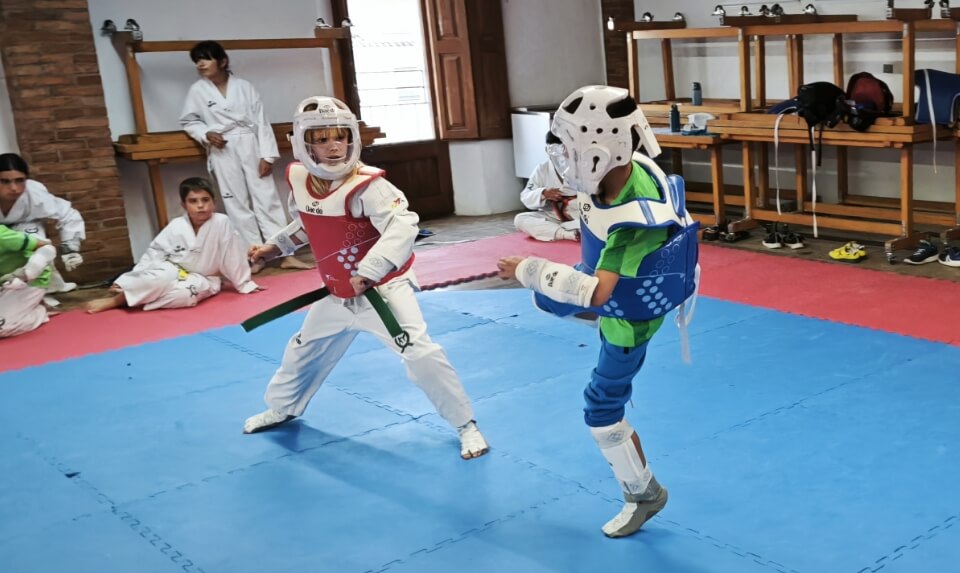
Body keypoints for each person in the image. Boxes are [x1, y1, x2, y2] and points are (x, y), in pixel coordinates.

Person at [497, 86, 699, 537]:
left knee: (601, 407)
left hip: (630, 318)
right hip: (618, 293)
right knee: (557, 296)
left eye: (570, 148)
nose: (565, 157)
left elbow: (601, 295)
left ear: (597, 150)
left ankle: (645, 495)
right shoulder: (624, 171)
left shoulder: (633, 213)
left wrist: (529, 269)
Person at [243, 96, 489, 460]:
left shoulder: (369, 185)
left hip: (383, 292)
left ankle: (466, 426)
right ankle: (284, 406)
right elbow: (308, 222)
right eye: (322, 138)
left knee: (421, 355)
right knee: (302, 349)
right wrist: (274, 247)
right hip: (338, 293)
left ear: (352, 138)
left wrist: (368, 271)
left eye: (340, 137)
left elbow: (403, 226)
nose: (333, 147)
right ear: (303, 142)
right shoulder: (299, 178)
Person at [179, 40, 311, 273]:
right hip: (223, 148)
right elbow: (190, 121)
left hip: (250, 143)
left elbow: (261, 120)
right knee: (236, 204)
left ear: (222, 61)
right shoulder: (197, 91)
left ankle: (284, 253)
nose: (200, 64)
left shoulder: (244, 87)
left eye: (206, 58)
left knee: (267, 200)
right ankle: (253, 256)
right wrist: (206, 134)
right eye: (197, 60)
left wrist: (267, 155)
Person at [84, 177, 262, 314]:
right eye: (193, 201)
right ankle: (118, 300)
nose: (200, 206)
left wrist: (244, 284)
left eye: (205, 200)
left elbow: (232, 254)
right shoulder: (177, 225)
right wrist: (134, 277)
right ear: (183, 204)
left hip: (204, 277)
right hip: (173, 270)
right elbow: (155, 252)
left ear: (213, 202)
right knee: (151, 280)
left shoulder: (221, 222)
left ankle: (137, 297)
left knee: (184, 296)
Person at [0, 152, 86, 293]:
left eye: (20, 180)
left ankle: (45, 288)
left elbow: (67, 214)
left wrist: (70, 249)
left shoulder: (34, 193)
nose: (14, 188)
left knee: (39, 246)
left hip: (26, 226)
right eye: (5, 181)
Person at [514, 132, 580, 242]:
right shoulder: (542, 169)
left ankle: (573, 231)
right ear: (547, 150)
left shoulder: (584, 167)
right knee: (520, 219)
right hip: (555, 216)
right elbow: (526, 197)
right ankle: (566, 234)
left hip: (581, 216)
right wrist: (543, 193)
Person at [0, 224, 57, 338]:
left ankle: (40, 311)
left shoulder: (2, 235)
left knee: (2, 328)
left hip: (27, 281)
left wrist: (26, 273)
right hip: (4, 284)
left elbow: (47, 247)